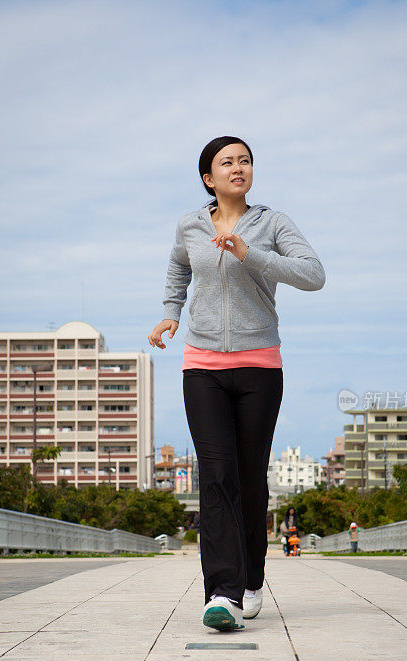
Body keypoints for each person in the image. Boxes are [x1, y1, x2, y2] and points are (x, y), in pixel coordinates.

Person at [148, 136, 325, 631]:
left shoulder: (272, 222)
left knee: (249, 479)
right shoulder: (189, 224)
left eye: (245, 160)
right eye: (227, 162)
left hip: (259, 368)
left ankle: (251, 581)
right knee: (218, 475)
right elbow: (177, 271)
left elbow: (314, 275)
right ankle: (222, 593)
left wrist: (253, 255)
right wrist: (169, 315)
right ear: (209, 177)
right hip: (201, 366)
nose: (238, 167)